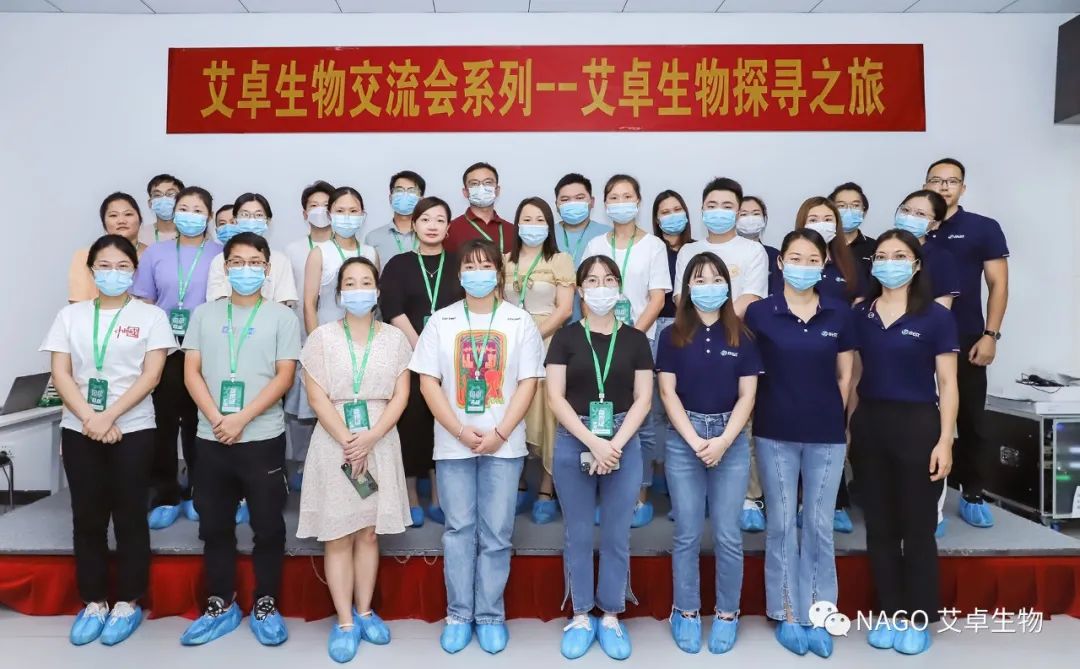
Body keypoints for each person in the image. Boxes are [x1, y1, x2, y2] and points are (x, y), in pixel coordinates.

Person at [409, 239, 545, 655]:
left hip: (504, 444)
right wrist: (458, 430)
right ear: (460, 274)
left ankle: (489, 615)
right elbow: (427, 382)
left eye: (486, 265)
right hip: (454, 445)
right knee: (458, 531)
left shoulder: (519, 320)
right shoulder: (442, 320)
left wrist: (500, 432)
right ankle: (458, 614)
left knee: (497, 533)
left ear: (499, 273)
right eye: (470, 266)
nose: (478, 273)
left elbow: (528, 383)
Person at [41, 234, 175, 647]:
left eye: (122, 267)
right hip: (80, 427)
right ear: (91, 270)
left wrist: (109, 415)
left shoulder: (151, 317)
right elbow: (61, 373)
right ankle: (94, 601)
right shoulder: (71, 316)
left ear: (134, 271)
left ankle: (128, 602)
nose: (113, 273)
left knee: (130, 515)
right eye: (104, 266)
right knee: (88, 517)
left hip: (133, 428)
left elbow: (152, 375)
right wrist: (90, 417)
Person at [179, 232, 301, 647]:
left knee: (268, 525)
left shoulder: (282, 317)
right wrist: (218, 418)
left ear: (267, 269)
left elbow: (284, 376)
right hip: (211, 436)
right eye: (237, 262)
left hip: (262, 436)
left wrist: (242, 418)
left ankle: (266, 602)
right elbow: (191, 372)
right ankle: (220, 603)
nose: (245, 269)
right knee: (214, 525)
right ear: (225, 267)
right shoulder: (204, 315)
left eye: (254, 262)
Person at [744, 229, 856, 659]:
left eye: (812, 259)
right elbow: (749, 374)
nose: (803, 266)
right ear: (780, 262)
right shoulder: (761, 313)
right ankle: (788, 612)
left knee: (819, 525)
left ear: (824, 263)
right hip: (774, 431)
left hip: (826, 434)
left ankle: (820, 612)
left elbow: (845, 376)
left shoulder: (838, 313)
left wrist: (834, 418)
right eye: (795, 258)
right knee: (781, 524)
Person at [298, 257, 413, 663]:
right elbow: (316, 398)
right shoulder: (321, 338)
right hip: (335, 443)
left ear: (377, 292)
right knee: (338, 535)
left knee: (367, 533)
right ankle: (345, 621)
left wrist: (372, 437)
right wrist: (350, 441)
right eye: (350, 283)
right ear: (339, 293)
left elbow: (401, 395)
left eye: (366, 282)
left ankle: (364, 611)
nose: (359, 289)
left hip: (380, 440)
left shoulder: (395, 339)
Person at [850, 229, 959, 656]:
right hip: (870, 423)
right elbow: (856, 376)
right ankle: (890, 611)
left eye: (899, 256)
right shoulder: (862, 314)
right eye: (881, 256)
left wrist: (945, 440)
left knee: (917, 526)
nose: (889, 263)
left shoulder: (935, 316)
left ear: (915, 265)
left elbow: (948, 383)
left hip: (918, 425)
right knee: (879, 526)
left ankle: (919, 616)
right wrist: (849, 427)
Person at [545, 255, 653, 661]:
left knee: (615, 533)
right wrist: (593, 441)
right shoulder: (566, 337)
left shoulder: (636, 339)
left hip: (624, 437)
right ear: (579, 290)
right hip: (576, 436)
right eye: (592, 280)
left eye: (608, 280)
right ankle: (580, 615)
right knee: (576, 532)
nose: (601, 287)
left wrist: (614, 445)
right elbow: (555, 397)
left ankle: (610, 613)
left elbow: (644, 399)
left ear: (619, 287)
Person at [657, 251, 762, 655]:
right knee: (686, 532)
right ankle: (685, 610)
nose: (708, 287)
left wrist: (722, 441)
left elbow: (748, 395)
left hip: (729, 439)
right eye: (699, 280)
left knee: (727, 533)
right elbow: (667, 392)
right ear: (687, 287)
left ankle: (727, 613)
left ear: (727, 286)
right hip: (684, 439)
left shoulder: (743, 336)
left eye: (716, 279)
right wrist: (694, 439)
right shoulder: (671, 335)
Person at [924, 158, 1009, 530]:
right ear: (925, 185)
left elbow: (998, 284)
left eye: (951, 181)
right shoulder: (914, 228)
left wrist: (990, 335)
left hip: (965, 335)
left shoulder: (982, 228)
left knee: (971, 418)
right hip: (917, 339)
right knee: (920, 417)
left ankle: (973, 493)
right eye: (936, 180)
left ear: (962, 187)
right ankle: (924, 498)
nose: (943, 186)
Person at [582, 174, 670, 527]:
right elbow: (587, 292)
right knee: (604, 417)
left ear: (638, 201)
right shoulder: (595, 244)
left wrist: (630, 336)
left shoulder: (653, 246)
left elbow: (657, 298)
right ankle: (605, 492)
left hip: (639, 341)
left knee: (641, 421)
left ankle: (639, 495)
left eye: (627, 196)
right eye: (614, 197)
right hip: (599, 343)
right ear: (605, 204)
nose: (621, 202)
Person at [132, 186, 222, 528]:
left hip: (206, 350)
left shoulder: (221, 253)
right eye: (184, 208)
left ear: (209, 215)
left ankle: (200, 491)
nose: (190, 215)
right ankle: (166, 493)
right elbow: (144, 300)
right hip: (165, 349)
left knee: (202, 423)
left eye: (198, 210)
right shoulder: (156, 252)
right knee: (164, 424)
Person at [379, 197, 464, 526]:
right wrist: (423, 348)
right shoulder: (399, 264)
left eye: (440, 220)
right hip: (410, 357)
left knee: (445, 422)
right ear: (413, 224)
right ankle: (412, 496)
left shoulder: (459, 262)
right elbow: (393, 310)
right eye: (425, 219)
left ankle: (441, 496)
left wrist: (441, 354)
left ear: (448, 227)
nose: (432, 226)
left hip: (452, 359)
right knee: (412, 423)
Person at [502, 197, 575, 524]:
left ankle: (546, 487)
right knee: (511, 410)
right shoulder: (504, 260)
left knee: (547, 415)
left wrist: (532, 336)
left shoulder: (560, 260)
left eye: (540, 220)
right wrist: (515, 339)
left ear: (549, 225)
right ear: (517, 224)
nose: (533, 226)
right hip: (509, 343)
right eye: (527, 219)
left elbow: (565, 309)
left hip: (547, 342)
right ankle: (517, 482)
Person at [283, 180, 335, 491]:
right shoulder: (292, 250)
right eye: (314, 206)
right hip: (304, 338)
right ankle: (303, 464)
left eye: (326, 205)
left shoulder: (351, 248)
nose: (320, 211)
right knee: (303, 408)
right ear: (304, 213)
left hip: (341, 339)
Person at [649, 189, 693, 499]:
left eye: (677, 209)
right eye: (665, 211)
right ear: (655, 218)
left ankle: (681, 473)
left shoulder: (696, 249)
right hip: (656, 328)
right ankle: (656, 470)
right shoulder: (651, 249)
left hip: (689, 329)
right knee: (654, 406)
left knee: (683, 401)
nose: (672, 216)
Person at [674, 177, 768, 317]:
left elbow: (751, 296)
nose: (718, 212)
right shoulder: (687, 251)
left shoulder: (754, 250)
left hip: (737, 328)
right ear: (702, 210)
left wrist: (716, 325)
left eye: (727, 207)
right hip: (695, 328)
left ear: (738, 213)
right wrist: (704, 325)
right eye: (712, 206)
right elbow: (680, 297)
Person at [303, 187, 379, 333]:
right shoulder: (319, 253)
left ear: (363, 215)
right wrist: (315, 341)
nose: (347, 216)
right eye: (340, 211)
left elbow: (374, 302)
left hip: (364, 334)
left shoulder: (370, 253)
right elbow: (309, 304)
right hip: (327, 333)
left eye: (353, 211)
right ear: (329, 215)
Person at [206, 193, 299, 306]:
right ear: (235, 220)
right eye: (244, 215)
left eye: (258, 215)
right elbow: (216, 303)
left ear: (268, 221)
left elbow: (283, 304)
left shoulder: (281, 260)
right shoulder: (219, 261)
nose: (251, 220)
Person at [769, 196, 862, 304]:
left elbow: (859, 299)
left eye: (828, 220)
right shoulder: (786, 262)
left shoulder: (849, 261)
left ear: (837, 224)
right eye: (813, 220)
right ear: (803, 223)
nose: (821, 224)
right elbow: (775, 300)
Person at [69, 193, 148, 303]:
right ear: (104, 222)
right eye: (113, 215)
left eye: (128, 214)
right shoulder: (85, 256)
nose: (121, 221)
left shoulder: (154, 254)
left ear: (140, 219)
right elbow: (77, 303)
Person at [552, 173, 611, 321]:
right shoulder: (545, 235)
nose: (572, 203)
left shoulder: (608, 235)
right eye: (565, 200)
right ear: (557, 205)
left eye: (579, 198)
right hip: (552, 322)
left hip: (599, 321)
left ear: (592, 202)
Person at [893, 190, 960, 310]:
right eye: (906, 210)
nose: (909, 217)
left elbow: (942, 310)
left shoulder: (941, 258)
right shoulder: (881, 250)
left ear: (935, 224)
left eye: (920, 214)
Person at [445, 162, 515, 254]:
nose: (481, 188)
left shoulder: (513, 231)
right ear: (465, 192)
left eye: (488, 182)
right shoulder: (450, 230)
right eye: (474, 183)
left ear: (497, 190)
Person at [367, 170, 425, 267]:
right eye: (399, 190)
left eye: (412, 191)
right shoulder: (373, 237)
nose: (405, 195)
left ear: (421, 200)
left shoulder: (430, 235)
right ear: (390, 198)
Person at [830, 182, 877, 278]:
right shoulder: (822, 244)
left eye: (855, 205)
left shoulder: (875, 247)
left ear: (864, 212)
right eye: (841, 206)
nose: (849, 210)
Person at [736, 195, 779, 295]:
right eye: (743, 214)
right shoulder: (727, 252)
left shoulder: (775, 256)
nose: (750, 219)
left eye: (756, 214)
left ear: (764, 218)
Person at [141, 174, 184, 246]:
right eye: (157, 195)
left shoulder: (193, 233)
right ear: (150, 203)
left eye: (171, 194)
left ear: (182, 200)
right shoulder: (140, 235)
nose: (164, 199)